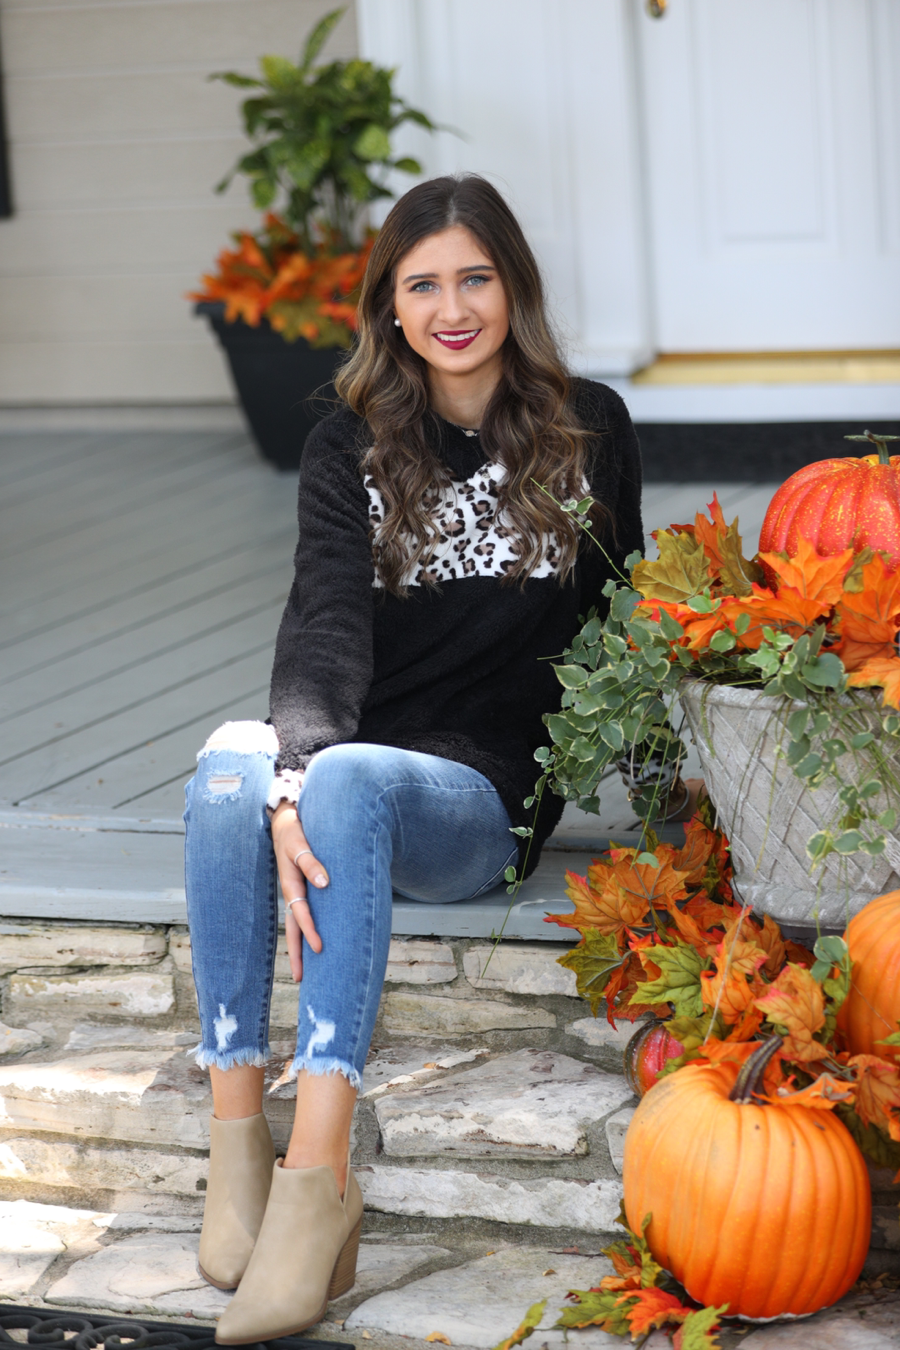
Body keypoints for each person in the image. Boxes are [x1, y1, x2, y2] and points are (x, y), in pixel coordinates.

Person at [183, 173, 688, 1344]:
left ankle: (320, 1178)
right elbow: (323, 626)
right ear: (390, 306)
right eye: (423, 285)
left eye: (475, 279)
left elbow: (627, 610)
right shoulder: (346, 445)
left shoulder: (589, 427)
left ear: (514, 287)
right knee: (228, 767)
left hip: (480, 799)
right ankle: (235, 1146)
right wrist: (291, 782)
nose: (452, 309)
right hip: (357, 775)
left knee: (341, 774)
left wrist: (668, 792)